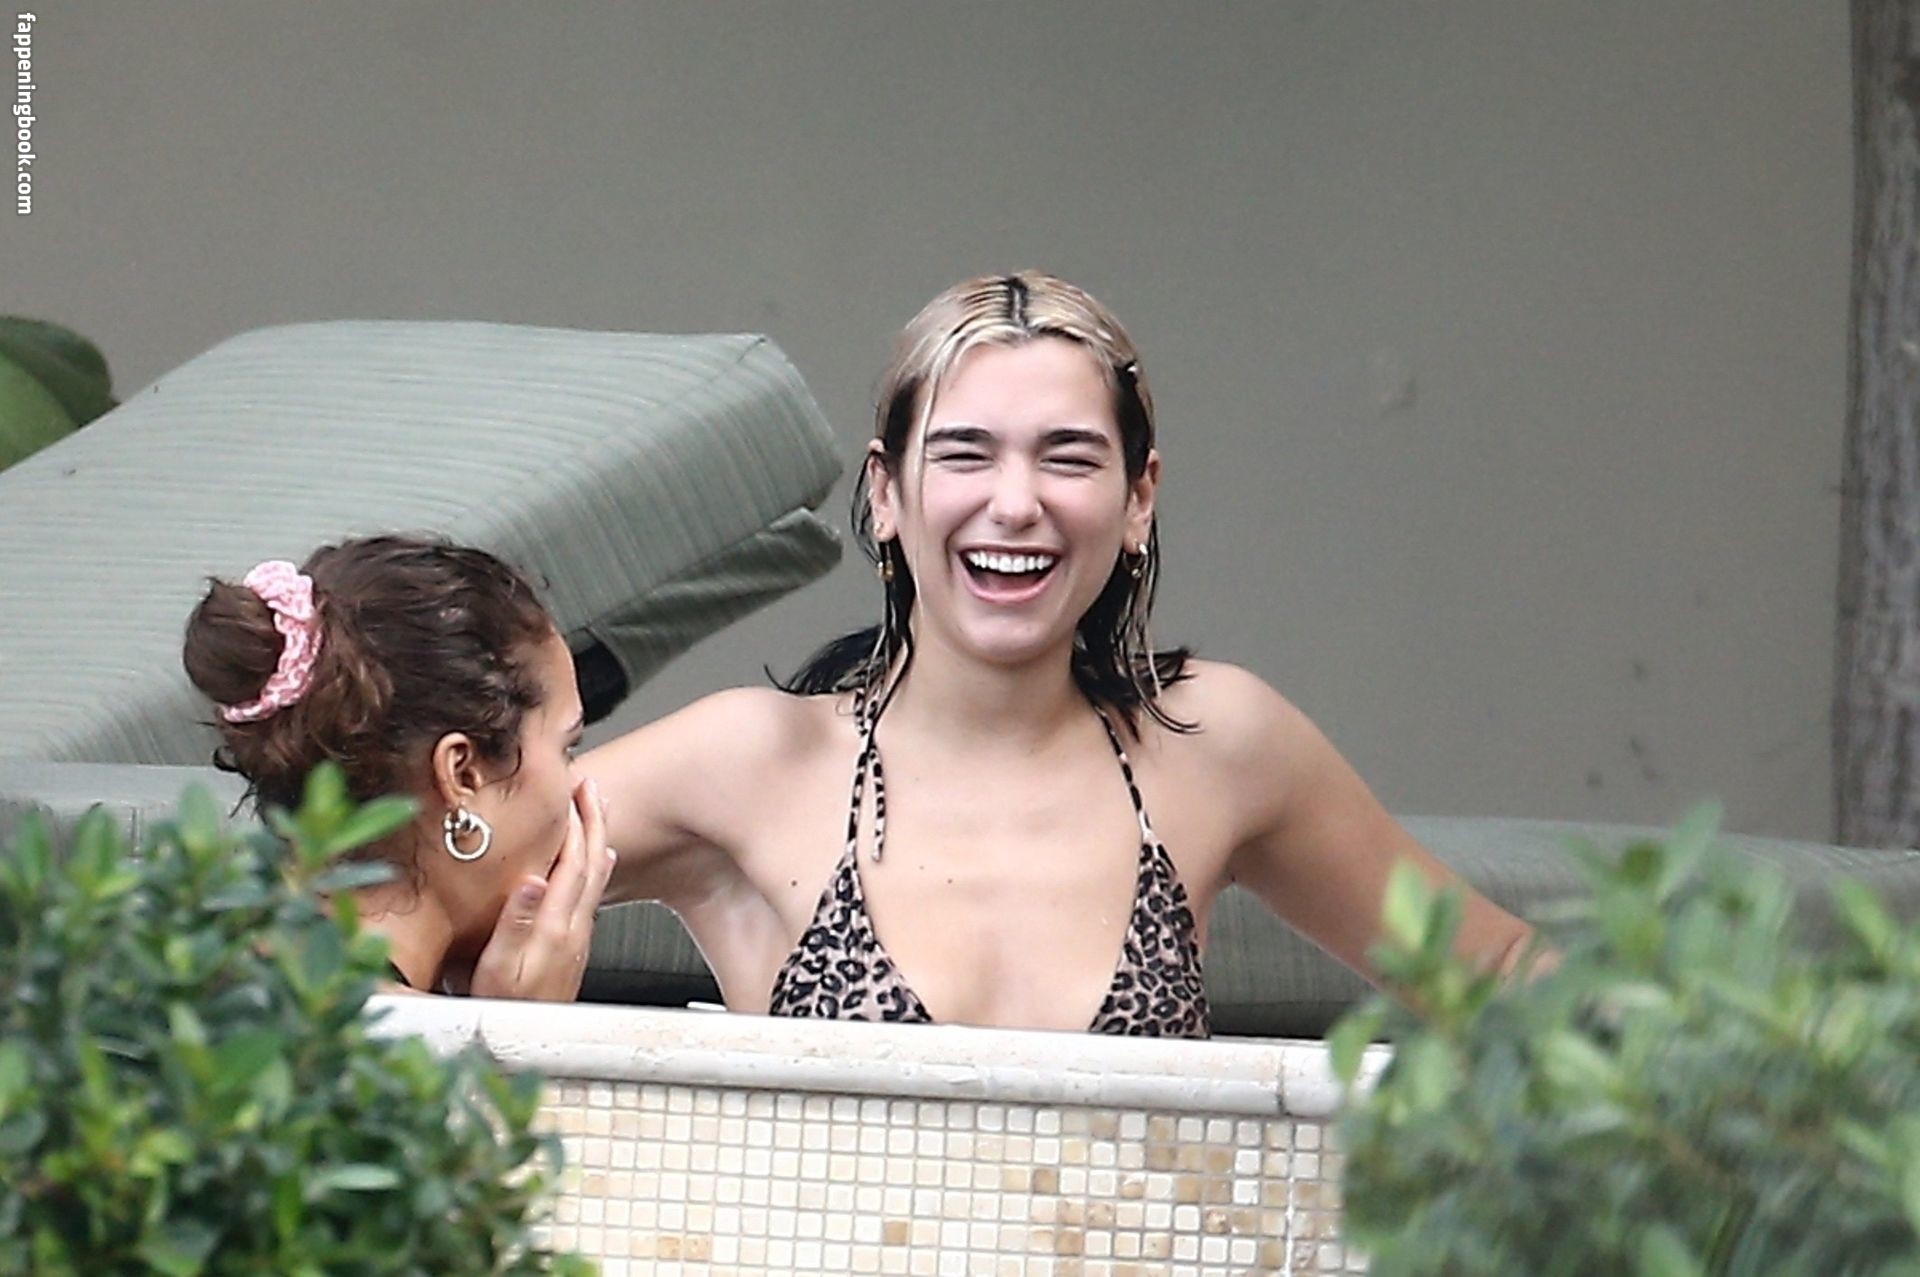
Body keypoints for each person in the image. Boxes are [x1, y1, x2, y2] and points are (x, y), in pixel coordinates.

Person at [582, 271, 1535, 1036]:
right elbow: (484, 853)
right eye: (964, 453)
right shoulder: (753, 761)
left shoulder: (1215, 743)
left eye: (1069, 457)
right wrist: (513, 1001)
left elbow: (1499, 969)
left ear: (1138, 498)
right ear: (885, 493)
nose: (1015, 503)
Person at [182, 535, 614, 999]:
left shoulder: (215, 962)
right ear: (462, 775)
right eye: (568, 748)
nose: (579, 789)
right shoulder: (375, 1034)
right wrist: (526, 1032)